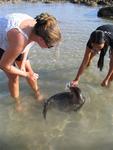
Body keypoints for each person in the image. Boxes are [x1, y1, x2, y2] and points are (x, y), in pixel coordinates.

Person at [0, 12, 61, 111]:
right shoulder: (20, 38)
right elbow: (4, 65)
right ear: (41, 39)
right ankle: (17, 104)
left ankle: (37, 94)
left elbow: (27, 45)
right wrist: (26, 75)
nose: (49, 48)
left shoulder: (38, 27)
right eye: (50, 46)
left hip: (15, 40)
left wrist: (23, 65)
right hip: (2, 41)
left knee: (29, 70)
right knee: (14, 76)